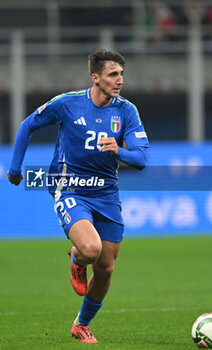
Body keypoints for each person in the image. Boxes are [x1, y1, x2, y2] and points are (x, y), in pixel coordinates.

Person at [8, 48, 149, 343]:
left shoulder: (126, 111)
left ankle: (81, 324)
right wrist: (15, 169)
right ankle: (77, 257)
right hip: (69, 186)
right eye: (113, 74)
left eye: (121, 74)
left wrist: (118, 150)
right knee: (91, 248)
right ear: (95, 77)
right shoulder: (68, 104)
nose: (119, 79)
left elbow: (140, 159)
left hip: (107, 192)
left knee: (107, 268)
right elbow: (27, 126)